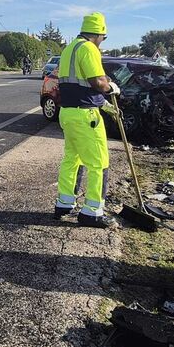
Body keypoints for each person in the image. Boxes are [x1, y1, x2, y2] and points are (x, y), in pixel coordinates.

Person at [54, 12, 121, 228]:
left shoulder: (69, 49)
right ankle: (92, 212)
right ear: (99, 33)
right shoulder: (89, 49)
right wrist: (110, 87)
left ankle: (64, 203)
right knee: (99, 163)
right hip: (86, 116)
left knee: (72, 159)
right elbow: (97, 83)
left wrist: (105, 105)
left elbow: (78, 86)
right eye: (103, 37)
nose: (102, 41)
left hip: (68, 113)